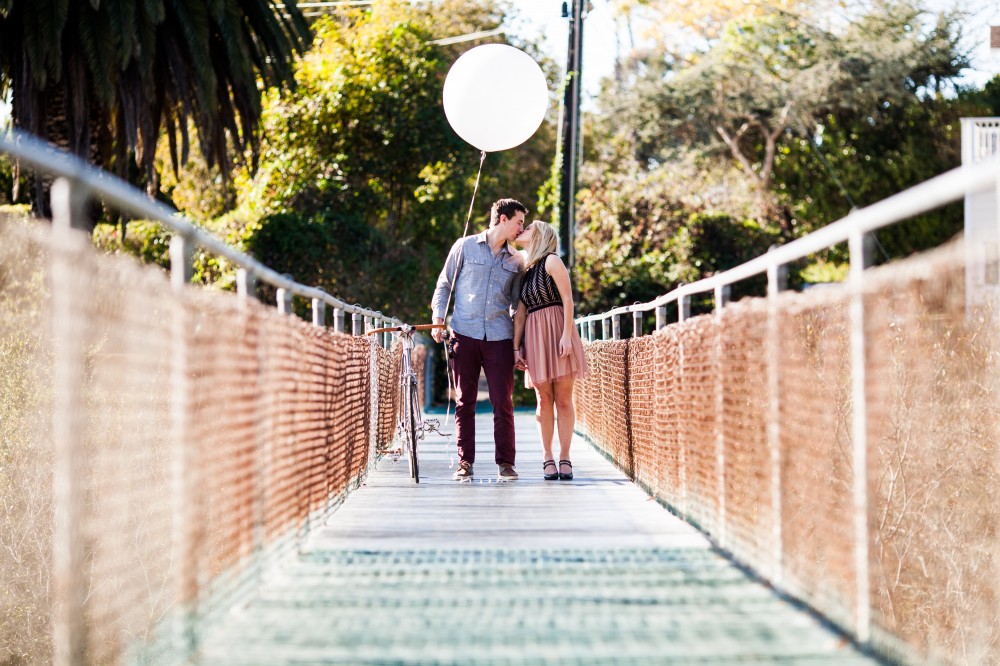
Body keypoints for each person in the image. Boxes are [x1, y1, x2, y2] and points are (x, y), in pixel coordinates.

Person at [431, 198, 526, 481]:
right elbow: (444, 285)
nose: (522, 228)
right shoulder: (464, 246)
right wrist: (438, 319)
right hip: (464, 332)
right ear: (503, 219)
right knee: (465, 402)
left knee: (503, 402)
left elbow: (517, 305)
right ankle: (465, 463)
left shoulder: (516, 260)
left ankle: (506, 464)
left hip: (499, 336)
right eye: (519, 221)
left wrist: (518, 345)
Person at [512, 221, 588, 481]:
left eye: (529, 226)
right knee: (543, 400)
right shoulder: (525, 269)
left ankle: (565, 456)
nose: (523, 228)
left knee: (564, 399)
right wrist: (516, 346)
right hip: (535, 337)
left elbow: (568, 299)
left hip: (558, 331)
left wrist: (567, 335)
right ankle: (547, 457)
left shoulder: (552, 261)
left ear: (541, 234)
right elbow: (520, 314)